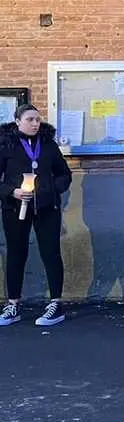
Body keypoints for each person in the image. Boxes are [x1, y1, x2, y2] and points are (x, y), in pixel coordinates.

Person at [0, 104, 72, 327]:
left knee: (51, 253)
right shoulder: (6, 144)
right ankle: (13, 304)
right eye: (30, 120)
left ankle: (56, 303)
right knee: (16, 254)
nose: (35, 124)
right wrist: (12, 191)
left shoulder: (48, 144)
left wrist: (50, 189)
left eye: (38, 120)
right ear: (17, 121)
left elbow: (64, 174)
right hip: (15, 208)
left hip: (46, 208)